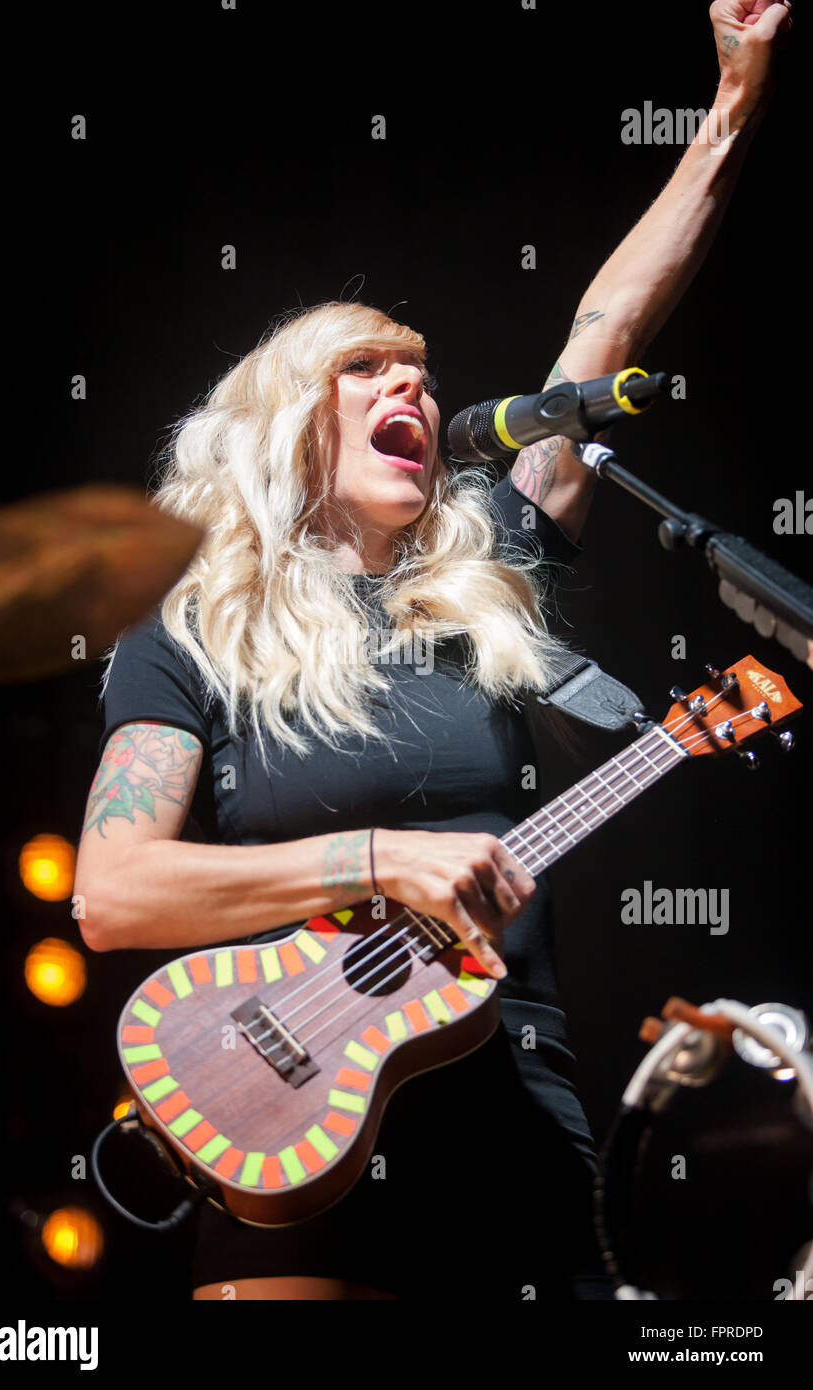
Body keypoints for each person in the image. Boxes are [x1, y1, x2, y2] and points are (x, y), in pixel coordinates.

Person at [73, 3, 790, 1300]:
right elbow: (113, 893)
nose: (411, 390)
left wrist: (733, 101)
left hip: (510, 1080)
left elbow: (602, 336)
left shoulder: (482, 576)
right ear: (290, 418)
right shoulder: (183, 631)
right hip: (280, 1111)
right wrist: (376, 859)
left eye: (420, 373)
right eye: (368, 371)